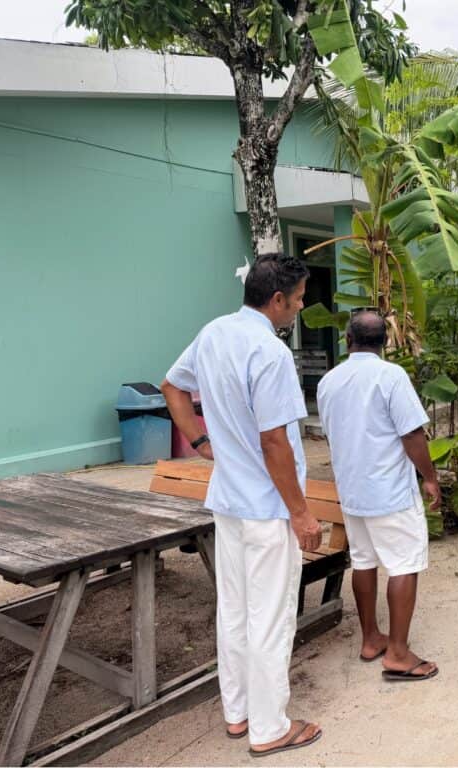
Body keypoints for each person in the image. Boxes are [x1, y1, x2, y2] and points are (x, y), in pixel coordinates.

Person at [161, 253, 324, 756]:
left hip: (229, 503)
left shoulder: (213, 333)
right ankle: (271, 728)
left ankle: (238, 714)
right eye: (297, 300)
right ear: (277, 300)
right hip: (268, 510)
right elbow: (275, 441)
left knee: (233, 612)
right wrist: (300, 511)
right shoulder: (270, 353)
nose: (298, 309)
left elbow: (172, 386)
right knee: (272, 619)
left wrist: (201, 440)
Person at [316, 310, 441, 682]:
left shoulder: (328, 382)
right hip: (389, 492)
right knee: (404, 564)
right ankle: (399, 654)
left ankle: (371, 638)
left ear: (348, 340)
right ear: (385, 343)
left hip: (352, 490)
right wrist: (430, 478)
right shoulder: (391, 376)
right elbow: (412, 435)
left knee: (364, 562)